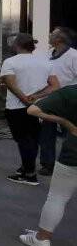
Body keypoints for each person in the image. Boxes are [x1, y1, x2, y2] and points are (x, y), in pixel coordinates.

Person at [18, 86, 77, 246]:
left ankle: (42, 238)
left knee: (58, 196)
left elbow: (33, 110)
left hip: (73, 154)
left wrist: (65, 122)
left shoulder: (70, 93)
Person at [0, 33, 59, 185]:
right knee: (32, 138)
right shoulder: (45, 62)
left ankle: (29, 174)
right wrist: (36, 96)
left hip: (16, 107)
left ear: (17, 45)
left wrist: (24, 99)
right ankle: (26, 167)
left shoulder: (10, 62)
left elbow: (11, 84)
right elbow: (54, 85)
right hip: (39, 106)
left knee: (23, 139)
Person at [38, 27, 77, 175]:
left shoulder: (74, 56)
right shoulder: (48, 54)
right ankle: (47, 165)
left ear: (59, 39)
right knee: (47, 134)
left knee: (71, 135)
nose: (49, 35)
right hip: (51, 101)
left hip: (69, 102)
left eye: (52, 33)